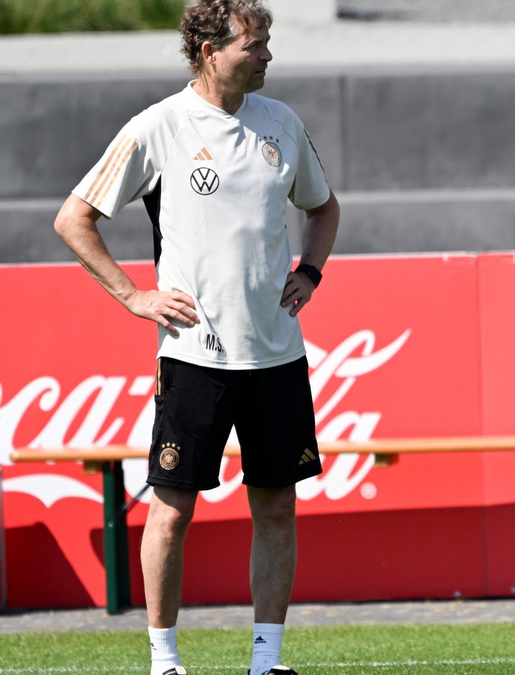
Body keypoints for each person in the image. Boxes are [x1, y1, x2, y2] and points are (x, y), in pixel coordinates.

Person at [52, 1, 340, 674]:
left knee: (276, 507)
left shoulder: (283, 123)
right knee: (172, 512)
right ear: (209, 50)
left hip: (276, 354)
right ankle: (164, 661)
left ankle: (266, 661)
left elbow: (322, 207)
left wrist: (313, 270)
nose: (267, 55)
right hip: (194, 357)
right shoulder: (159, 127)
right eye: (254, 44)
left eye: (268, 42)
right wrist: (133, 296)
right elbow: (74, 218)